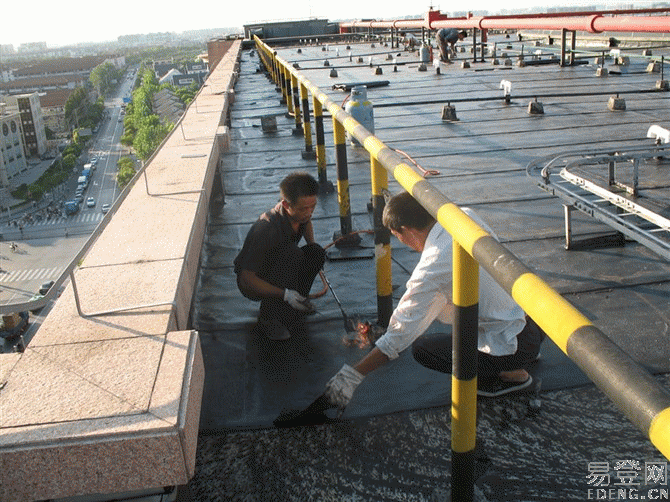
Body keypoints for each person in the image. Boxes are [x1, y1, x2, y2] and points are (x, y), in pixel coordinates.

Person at [324, 191, 544, 409]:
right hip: (536, 321)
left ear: (406, 231)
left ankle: (509, 372)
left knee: (423, 348)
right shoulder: (463, 216)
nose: (402, 243)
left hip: (514, 345)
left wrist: (352, 375)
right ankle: (520, 354)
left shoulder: (433, 267)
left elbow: (398, 337)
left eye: (397, 236)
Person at [234, 172, 325, 341]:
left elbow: (306, 223)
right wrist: (285, 294)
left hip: (282, 263)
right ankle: (269, 318)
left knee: (316, 253)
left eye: (313, 207)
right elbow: (247, 278)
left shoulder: (300, 214)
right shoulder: (266, 229)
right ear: (285, 204)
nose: (309, 213)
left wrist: (312, 246)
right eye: (304, 209)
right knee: (294, 256)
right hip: (254, 280)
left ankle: (297, 303)